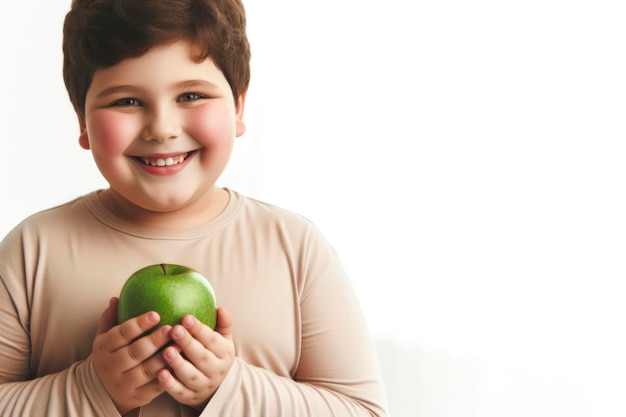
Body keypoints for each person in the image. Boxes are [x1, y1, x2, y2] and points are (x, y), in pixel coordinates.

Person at [0, 0, 388, 416]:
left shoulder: (294, 247)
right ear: (82, 121)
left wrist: (229, 388)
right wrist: (93, 389)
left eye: (191, 95)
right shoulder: (33, 250)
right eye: (127, 102)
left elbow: (362, 410)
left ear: (238, 106)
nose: (163, 128)